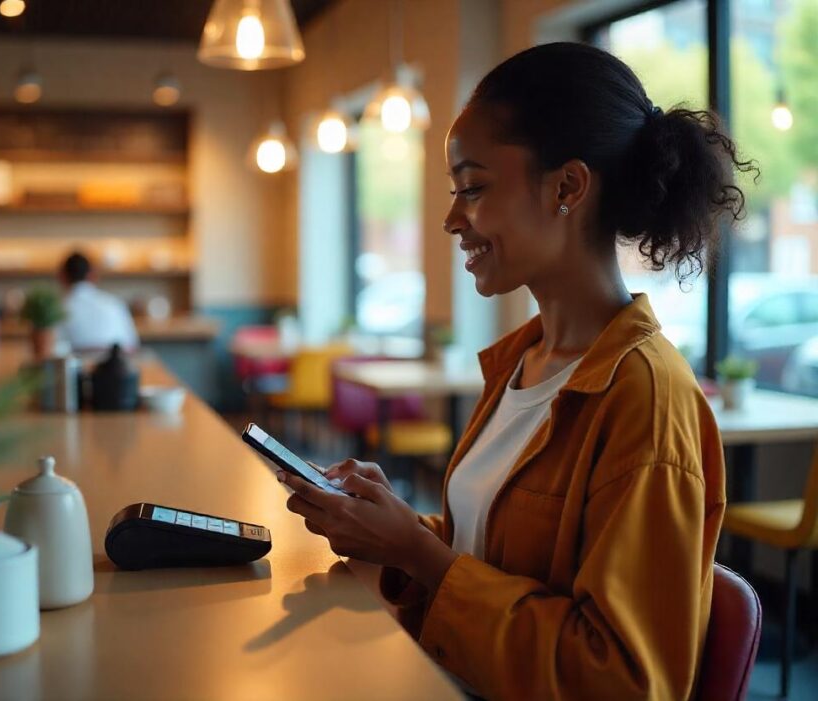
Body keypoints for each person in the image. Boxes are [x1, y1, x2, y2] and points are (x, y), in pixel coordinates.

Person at [278, 42, 754, 700]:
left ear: (567, 187)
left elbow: (623, 681)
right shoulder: (521, 363)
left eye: (472, 188)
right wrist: (397, 529)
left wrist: (419, 555)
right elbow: (499, 558)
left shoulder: (644, 397)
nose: (451, 219)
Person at [57, 251, 139, 352]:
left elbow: (54, 349)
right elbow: (132, 345)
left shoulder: (59, 309)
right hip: (116, 365)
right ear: (92, 275)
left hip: (77, 366)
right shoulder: (114, 303)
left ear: (62, 276)